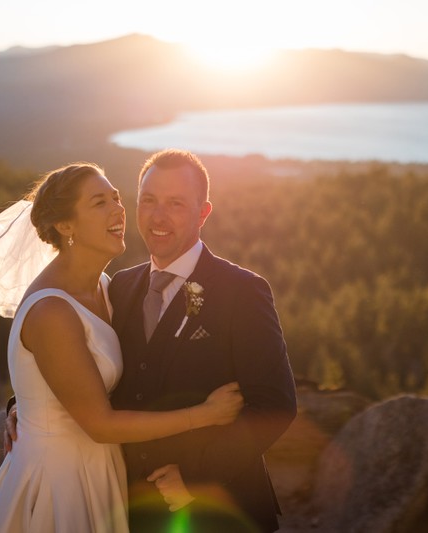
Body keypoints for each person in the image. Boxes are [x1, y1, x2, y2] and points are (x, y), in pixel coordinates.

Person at [0, 162, 244, 533]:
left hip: (100, 470)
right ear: (65, 226)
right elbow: (98, 423)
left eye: (116, 198)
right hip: (59, 481)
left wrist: (23, 404)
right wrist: (205, 414)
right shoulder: (51, 311)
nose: (118, 209)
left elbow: (70, 376)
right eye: (99, 203)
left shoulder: (107, 288)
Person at [109, 149, 297, 532]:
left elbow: (275, 404)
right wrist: (27, 406)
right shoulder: (119, 287)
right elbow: (82, 356)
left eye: (175, 204)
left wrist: (197, 476)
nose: (158, 217)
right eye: (149, 201)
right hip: (130, 510)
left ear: (203, 213)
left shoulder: (243, 291)